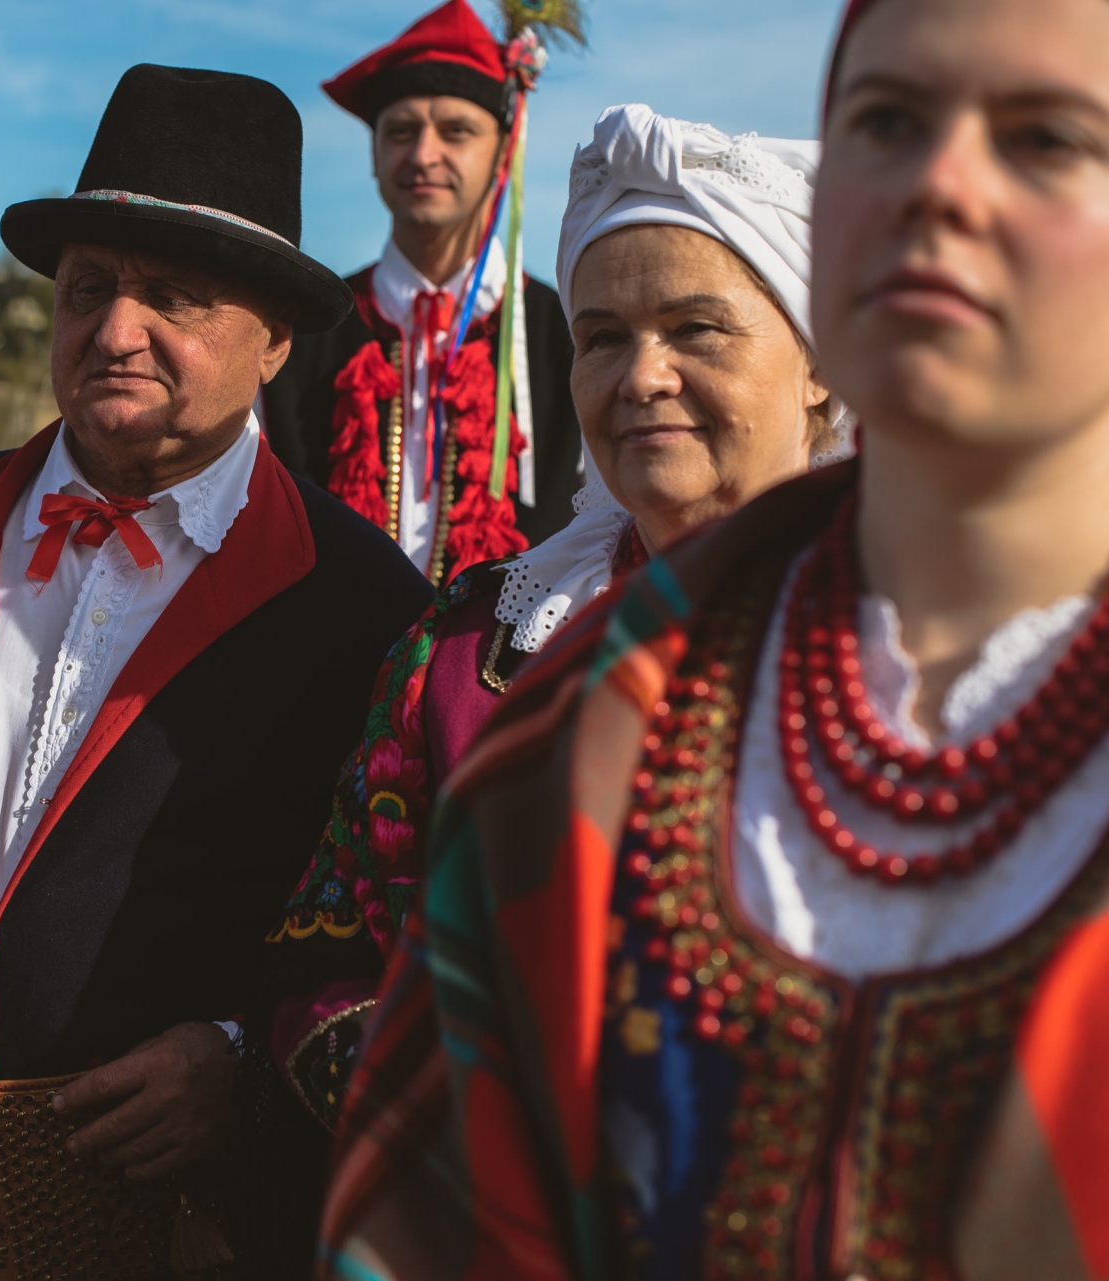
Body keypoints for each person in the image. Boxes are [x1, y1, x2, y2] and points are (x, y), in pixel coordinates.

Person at [321, 0, 1109, 1275]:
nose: (643, 378)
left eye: (1048, 139)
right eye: (887, 126)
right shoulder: (540, 698)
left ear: (817, 362)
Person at [0, 64, 434, 1280]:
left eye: (174, 298)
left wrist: (242, 1059)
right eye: (89, 288)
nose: (113, 331)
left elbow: (394, 942)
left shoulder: (363, 610)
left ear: (275, 340)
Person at [264, 103, 845, 1132]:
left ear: (820, 366)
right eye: (603, 337)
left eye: (696, 329)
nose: (643, 376)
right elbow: (328, 960)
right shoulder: (462, 650)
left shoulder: (956, 656)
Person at [260, 0, 588, 586]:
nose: (422, 154)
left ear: (504, 151)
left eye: (456, 132)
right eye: (401, 132)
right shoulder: (299, 328)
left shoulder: (572, 334)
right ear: (374, 154)